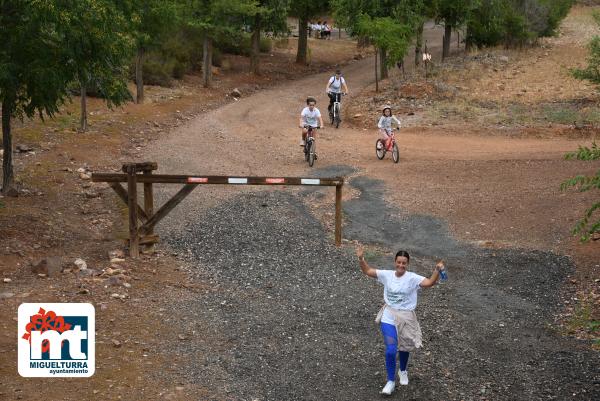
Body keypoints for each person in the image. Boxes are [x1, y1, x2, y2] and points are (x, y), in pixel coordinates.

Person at [356, 246, 446, 396]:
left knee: (404, 347)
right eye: (399, 262)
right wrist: (361, 258)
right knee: (391, 349)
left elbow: (429, 283)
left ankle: (402, 370)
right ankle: (390, 381)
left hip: (406, 317)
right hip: (389, 315)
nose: (401, 265)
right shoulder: (387, 275)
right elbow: (367, 271)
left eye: (404, 263)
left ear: (407, 264)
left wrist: (437, 270)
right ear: (395, 262)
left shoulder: (412, 278)